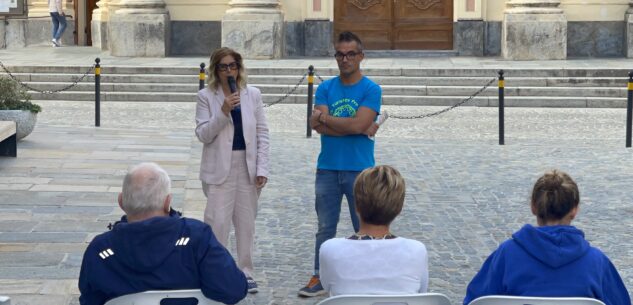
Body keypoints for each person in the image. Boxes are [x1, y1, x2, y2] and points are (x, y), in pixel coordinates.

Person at [78, 162, 247, 305]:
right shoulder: (197, 237)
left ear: (121, 201)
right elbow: (234, 290)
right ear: (167, 202)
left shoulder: (99, 250)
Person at [463, 170, 630, 305]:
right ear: (574, 210)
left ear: (533, 207)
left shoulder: (506, 255)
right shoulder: (597, 262)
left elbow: (475, 301)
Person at [299, 31, 383, 297]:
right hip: (327, 168)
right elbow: (314, 124)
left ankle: (367, 277)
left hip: (360, 169)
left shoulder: (371, 89)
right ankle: (320, 276)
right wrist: (355, 128)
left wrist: (328, 121)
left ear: (361, 57)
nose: (344, 59)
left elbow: (352, 124)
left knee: (365, 227)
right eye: (340, 54)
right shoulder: (325, 87)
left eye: (350, 54)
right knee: (325, 228)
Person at [195, 47, 269, 293]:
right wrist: (223, 111)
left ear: (239, 68)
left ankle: (245, 272)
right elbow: (203, 135)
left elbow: (262, 134)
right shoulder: (206, 96)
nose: (229, 71)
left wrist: (262, 167)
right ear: (216, 70)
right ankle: (217, 272)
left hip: (247, 166)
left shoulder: (253, 94)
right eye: (224, 66)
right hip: (219, 169)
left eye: (233, 66)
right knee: (217, 222)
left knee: (246, 223)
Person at [319, 165, 428, 296]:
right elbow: (421, 291)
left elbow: (326, 285)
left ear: (356, 206)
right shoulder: (416, 250)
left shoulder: (330, 249)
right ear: (399, 209)